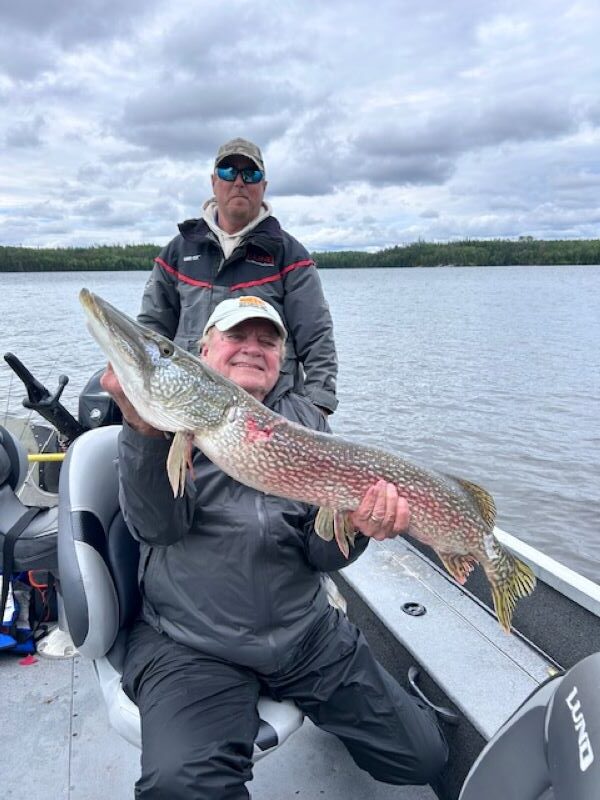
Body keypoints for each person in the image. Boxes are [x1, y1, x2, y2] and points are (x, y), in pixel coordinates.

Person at [101, 296, 448, 799]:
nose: (252, 349)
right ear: (204, 347)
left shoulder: (306, 419)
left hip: (304, 634)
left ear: (282, 357)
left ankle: (325, 706)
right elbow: (156, 529)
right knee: (180, 788)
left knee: (423, 757)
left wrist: (357, 528)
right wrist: (143, 433)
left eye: (267, 340)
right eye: (236, 336)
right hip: (195, 642)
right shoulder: (169, 420)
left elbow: (320, 552)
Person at [138, 137, 338, 416]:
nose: (239, 181)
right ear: (213, 182)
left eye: (251, 174)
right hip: (188, 405)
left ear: (263, 187)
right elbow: (152, 329)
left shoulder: (289, 254)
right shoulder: (179, 251)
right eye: (228, 172)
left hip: (271, 413)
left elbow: (317, 338)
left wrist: (317, 407)